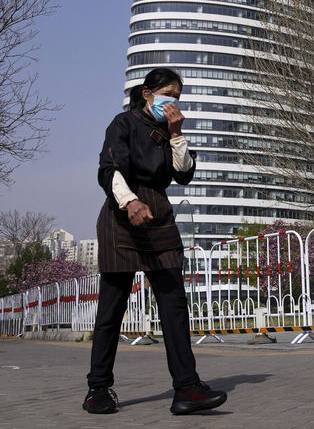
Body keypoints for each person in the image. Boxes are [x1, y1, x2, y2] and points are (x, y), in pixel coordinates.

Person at [82, 67, 227, 415]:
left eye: (177, 96)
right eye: (167, 94)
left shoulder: (169, 129)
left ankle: (187, 388)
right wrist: (130, 201)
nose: (172, 101)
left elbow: (184, 174)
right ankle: (98, 389)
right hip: (123, 214)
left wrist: (177, 133)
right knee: (112, 308)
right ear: (147, 93)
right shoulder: (123, 124)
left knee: (174, 304)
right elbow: (109, 168)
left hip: (160, 215)